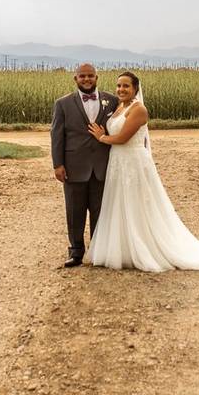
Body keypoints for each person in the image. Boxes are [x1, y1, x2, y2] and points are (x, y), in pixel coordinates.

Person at [86, 72, 199, 272]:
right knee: (119, 202)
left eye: (126, 86)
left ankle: (143, 247)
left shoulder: (139, 110)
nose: (121, 89)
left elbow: (122, 138)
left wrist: (101, 137)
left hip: (133, 162)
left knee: (136, 204)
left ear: (136, 89)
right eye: (119, 86)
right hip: (118, 162)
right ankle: (121, 249)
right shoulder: (119, 107)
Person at [50, 63, 119, 267]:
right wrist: (58, 164)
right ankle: (76, 252)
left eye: (90, 76)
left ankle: (99, 252)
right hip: (74, 166)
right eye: (82, 76)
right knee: (74, 211)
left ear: (97, 78)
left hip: (102, 166)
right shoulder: (62, 103)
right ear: (75, 79)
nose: (86, 79)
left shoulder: (112, 101)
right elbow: (57, 135)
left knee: (101, 211)